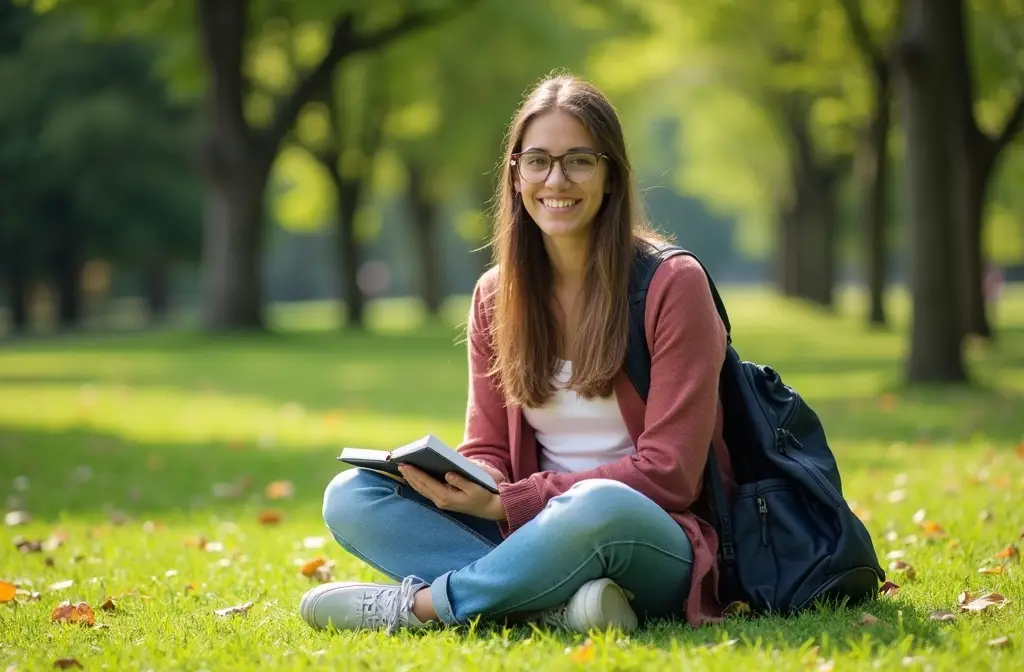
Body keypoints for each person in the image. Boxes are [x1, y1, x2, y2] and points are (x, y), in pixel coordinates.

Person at [299, 73, 735, 635]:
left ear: (611, 176)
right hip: (524, 527)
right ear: (515, 173)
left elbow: (671, 475)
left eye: (579, 160)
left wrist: (511, 503)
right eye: (538, 161)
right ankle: (555, 604)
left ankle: (423, 607)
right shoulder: (494, 295)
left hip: (648, 532)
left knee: (597, 505)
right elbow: (487, 444)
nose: (556, 179)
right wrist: (470, 480)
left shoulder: (672, 284)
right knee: (353, 495)